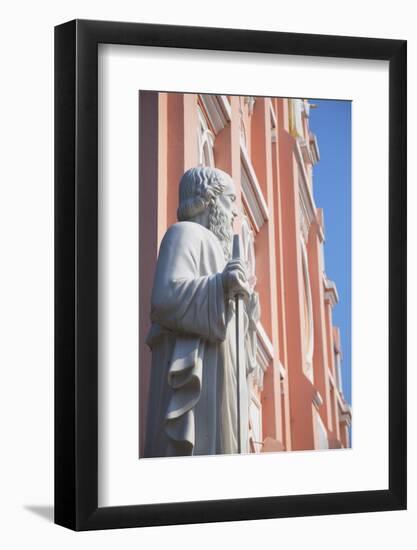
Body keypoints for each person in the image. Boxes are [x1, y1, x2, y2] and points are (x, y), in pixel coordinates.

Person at [144, 166, 259, 457]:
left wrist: (246, 310)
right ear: (209, 199)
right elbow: (164, 298)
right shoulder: (185, 234)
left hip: (221, 389)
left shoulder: (220, 255)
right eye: (230, 201)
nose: (235, 214)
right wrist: (220, 286)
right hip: (197, 394)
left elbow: (239, 352)